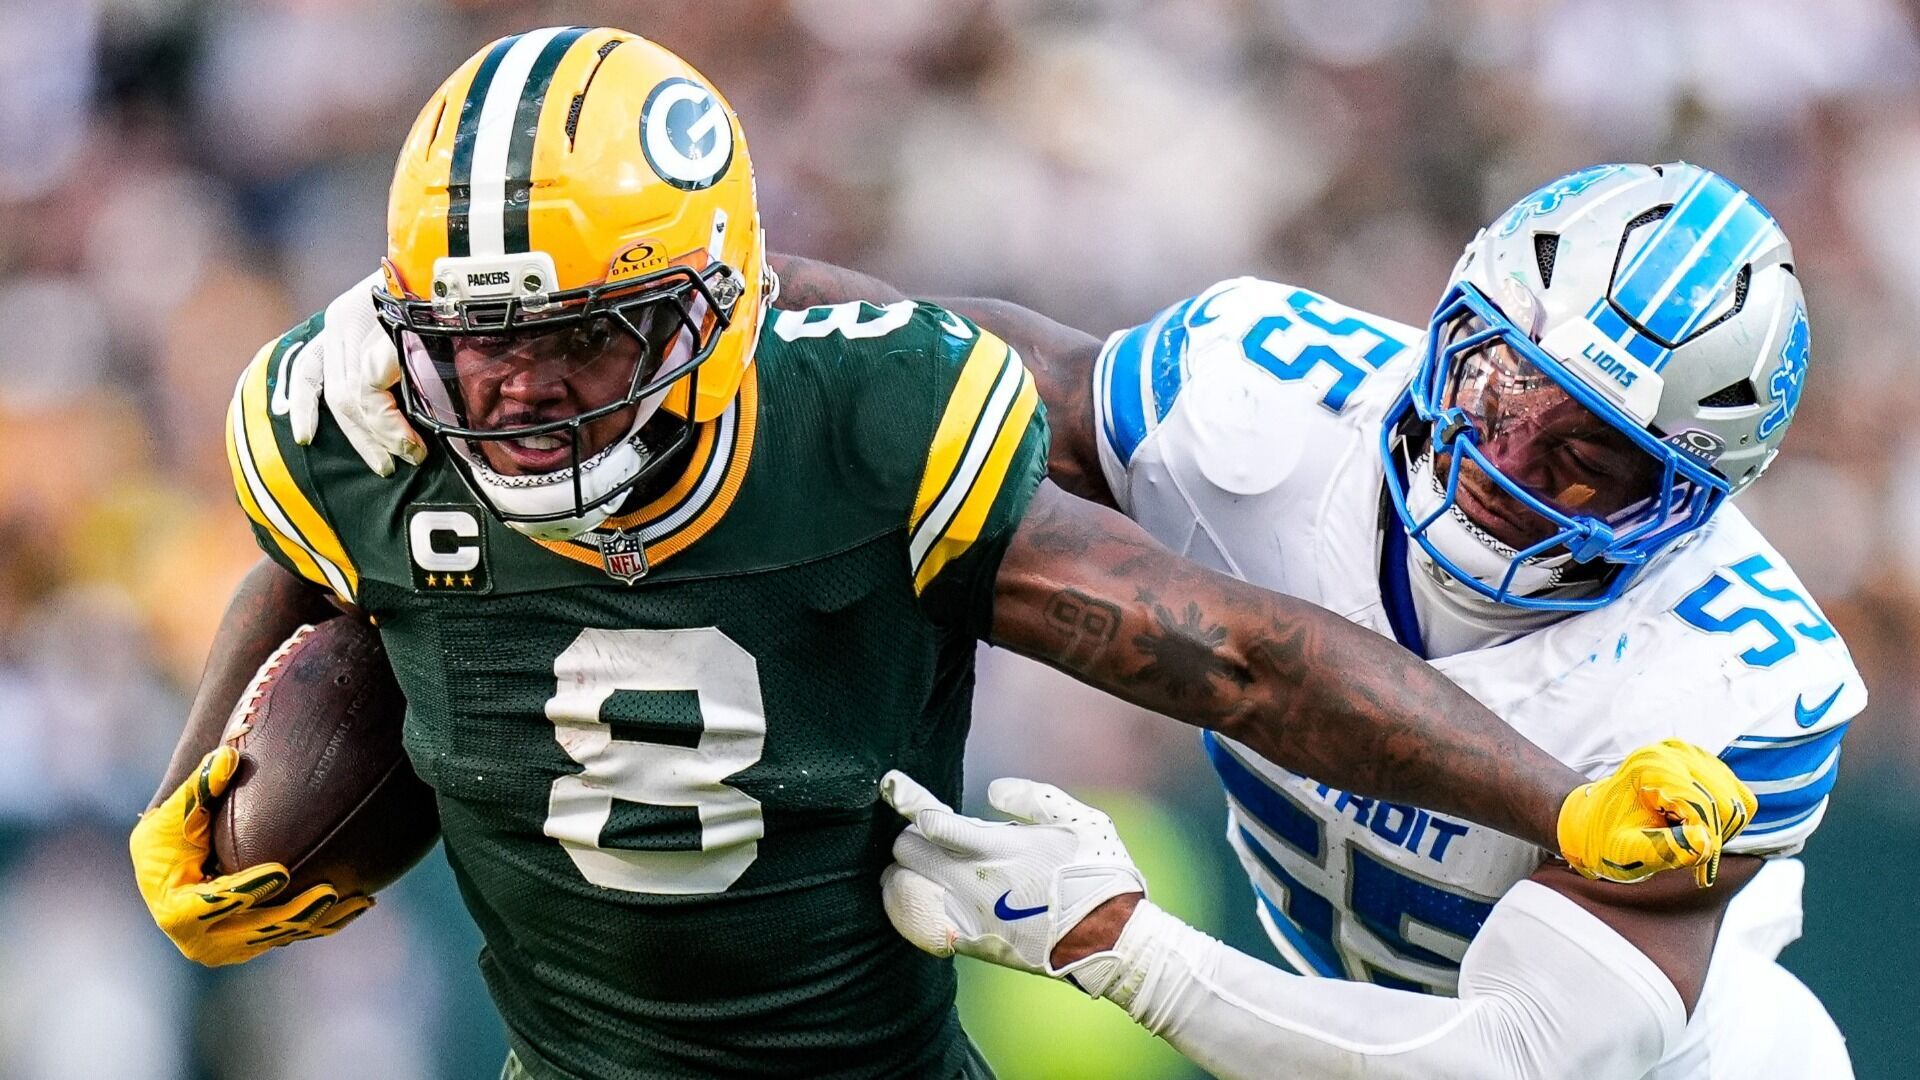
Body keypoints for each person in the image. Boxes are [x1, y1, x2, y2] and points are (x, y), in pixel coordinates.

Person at [139, 28, 1749, 1078]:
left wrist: (1559, 801)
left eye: (581, 336)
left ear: (715, 307)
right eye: (478, 338)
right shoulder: (351, 418)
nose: (517, 392)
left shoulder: (862, 422)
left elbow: (1233, 654)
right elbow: (306, 547)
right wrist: (188, 785)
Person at [838, 163, 1852, 1078]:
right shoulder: (1264, 394)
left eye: (1585, 461)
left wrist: (1121, 946)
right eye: (1501, 384)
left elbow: (1515, 1060)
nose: (1504, 460)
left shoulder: (1738, 686)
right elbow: (929, 379)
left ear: (1679, 501)